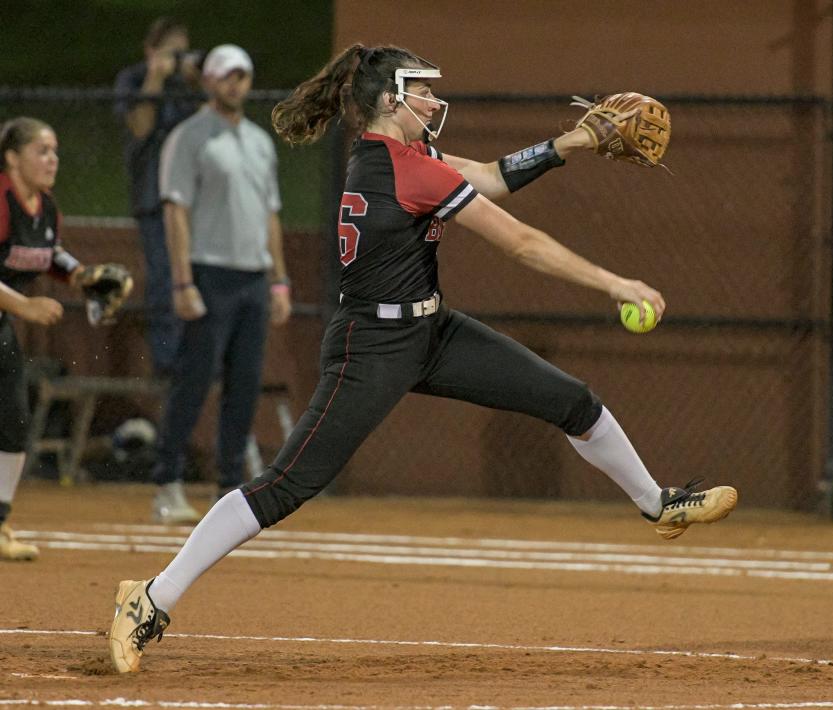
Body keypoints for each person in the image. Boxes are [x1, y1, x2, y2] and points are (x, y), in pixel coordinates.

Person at [108, 44, 737, 673]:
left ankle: (659, 504)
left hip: (430, 331)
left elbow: (490, 174)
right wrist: (614, 283)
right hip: (371, 346)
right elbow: (521, 243)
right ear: (388, 100)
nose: (435, 100)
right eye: (422, 90)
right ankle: (150, 599)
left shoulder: (404, 158)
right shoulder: (406, 169)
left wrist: (572, 143)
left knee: (572, 400)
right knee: (286, 486)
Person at [148, 44, 291, 526]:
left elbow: (271, 214)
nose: (237, 85)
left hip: (253, 278)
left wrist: (279, 279)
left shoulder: (259, 140)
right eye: (227, 76)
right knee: (194, 381)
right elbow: (175, 211)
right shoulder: (189, 137)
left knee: (244, 386)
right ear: (208, 81)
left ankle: (228, 491)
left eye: (243, 76)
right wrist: (183, 280)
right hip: (208, 275)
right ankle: (167, 483)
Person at [0, 117, 127, 560]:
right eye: (41, 150)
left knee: (13, 419)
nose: (53, 159)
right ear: (12, 158)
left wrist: (82, 278)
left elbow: (48, 254)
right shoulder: (0, 199)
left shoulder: (46, 208)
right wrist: (26, 308)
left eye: (55, 151)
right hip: (7, 313)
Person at [114, 17, 201, 377]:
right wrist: (155, 78)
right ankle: (168, 364)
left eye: (182, 53)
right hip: (154, 197)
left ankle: (199, 360)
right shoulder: (133, 80)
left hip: (195, 198)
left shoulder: (189, 85)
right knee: (165, 280)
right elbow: (139, 127)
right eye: (170, 53)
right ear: (151, 51)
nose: (176, 61)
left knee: (201, 279)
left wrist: (198, 80)